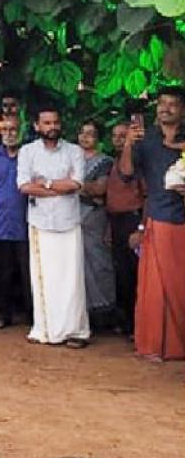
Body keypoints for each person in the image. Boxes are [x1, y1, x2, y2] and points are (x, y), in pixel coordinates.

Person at [119, 87, 185, 361]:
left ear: (183, 110)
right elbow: (126, 175)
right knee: (155, 288)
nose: (166, 108)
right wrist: (128, 144)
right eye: (162, 104)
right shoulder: (145, 141)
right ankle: (155, 345)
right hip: (158, 218)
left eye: (173, 104)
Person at [18, 106, 89, 348]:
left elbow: (76, 183)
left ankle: (76, 331)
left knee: (72, 277)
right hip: (41, 222)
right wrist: (59, 187)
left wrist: (46, 183)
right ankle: (46, 331)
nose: (52, 127)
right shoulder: (27, 152)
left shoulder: (74, 151)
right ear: (37, 126)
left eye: (55, 122)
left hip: (69, 221)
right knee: (44, 279)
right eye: (46, 123)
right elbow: (24, 186)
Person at [0, 117, 30, 329]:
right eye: (6, 130)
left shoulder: (30, 155)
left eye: (14, 130)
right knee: (2, 271)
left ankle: (33, 316)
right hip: (1, 220)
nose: (10, 134)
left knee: (28, 271)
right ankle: (3, 313)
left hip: (26, 221)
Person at [104, 121, 144, 335]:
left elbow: (146, 196)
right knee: (121, 275)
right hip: (116, 221)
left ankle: (139, 325)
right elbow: (111, 198)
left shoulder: (137, 163)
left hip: (133, 220)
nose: (119, 140)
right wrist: (110, 227)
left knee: (134, 275)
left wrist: (140, 229)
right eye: (115, 136)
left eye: (123, 135)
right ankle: (126, 322)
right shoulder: (114, 162)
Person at [77, 121, 117, 328]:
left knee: (98, 263)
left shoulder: (104, 162)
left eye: (91, 134)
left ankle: (104, 310)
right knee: (77, 265)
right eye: (82, 133)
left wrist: (71, 186)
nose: (85, 137)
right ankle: (82, 312)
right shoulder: (70, 158)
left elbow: (100, 190)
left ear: (98, 139)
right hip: (73, 219)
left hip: (94, 219)